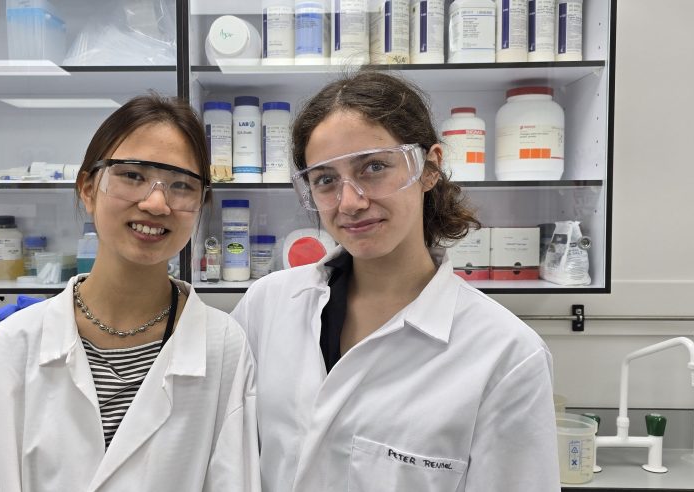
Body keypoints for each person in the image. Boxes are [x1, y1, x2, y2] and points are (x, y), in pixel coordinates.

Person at [229, 71, 560, 491]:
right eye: (326, 179)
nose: (350, 202)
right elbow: (227, 460)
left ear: (429, 167)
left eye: (374, 167)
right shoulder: (267, 305)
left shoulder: (507, 354)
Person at [0, 95, 260, 492]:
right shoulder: (16, 343)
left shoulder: (223, 346)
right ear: (88, 188)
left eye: (181, 185)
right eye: (132, 175)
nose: (156, 203)